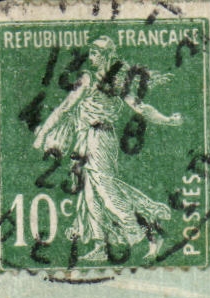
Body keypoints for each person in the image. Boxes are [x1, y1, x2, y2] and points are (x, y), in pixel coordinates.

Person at [32, 37, 183, 262]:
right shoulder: (89, 79)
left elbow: (141, 108)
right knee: (91, 197)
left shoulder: (112, 82)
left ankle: (150, 233)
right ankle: (101, 245)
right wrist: (44, 132)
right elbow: (65, 108)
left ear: (107, 57)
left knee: (107, 193)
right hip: (87, 139)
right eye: (91, 53)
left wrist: (167, 120)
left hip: (101, 139)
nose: (90, 57)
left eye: (95, 53)